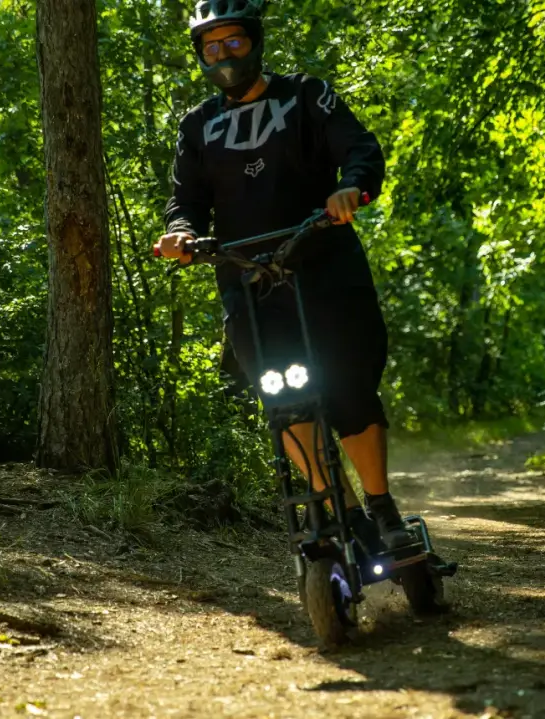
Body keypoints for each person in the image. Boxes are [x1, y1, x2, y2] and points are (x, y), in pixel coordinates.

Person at [153, 0, 412, 548]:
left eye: (234, 41)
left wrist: (351, 187)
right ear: (199, 55)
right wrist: (181, 234)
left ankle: (382, 507)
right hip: (247, 281)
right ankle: (343, 510)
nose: (224, 55)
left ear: (255, 41)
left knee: (349, 388)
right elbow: (185, 201)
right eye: (211, 46)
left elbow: (360, 149)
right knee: (282, 400)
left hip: (324, 265)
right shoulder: (197, 126)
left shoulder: (305, 95)